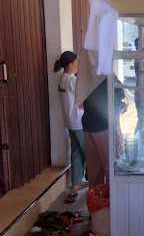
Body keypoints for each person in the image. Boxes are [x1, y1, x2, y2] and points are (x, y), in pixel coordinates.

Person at [54, 51, 86, 203]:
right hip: (79, 122)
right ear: (70, 64)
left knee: (76, 152)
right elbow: (82, 102)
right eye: (76, 62)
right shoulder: (72, 80)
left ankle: (75, 184)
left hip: (69, 122)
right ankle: (95, 184)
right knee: (87, 152)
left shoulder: (62, 79)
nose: (78, 64)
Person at [82, 77, 125, 188]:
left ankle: (98, 202)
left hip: (89, 124)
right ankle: (112, 203)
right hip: (103, 126)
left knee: (95, 172)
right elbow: (120, 94)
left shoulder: (86, 71)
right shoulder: (106, 75)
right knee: (112, 168)